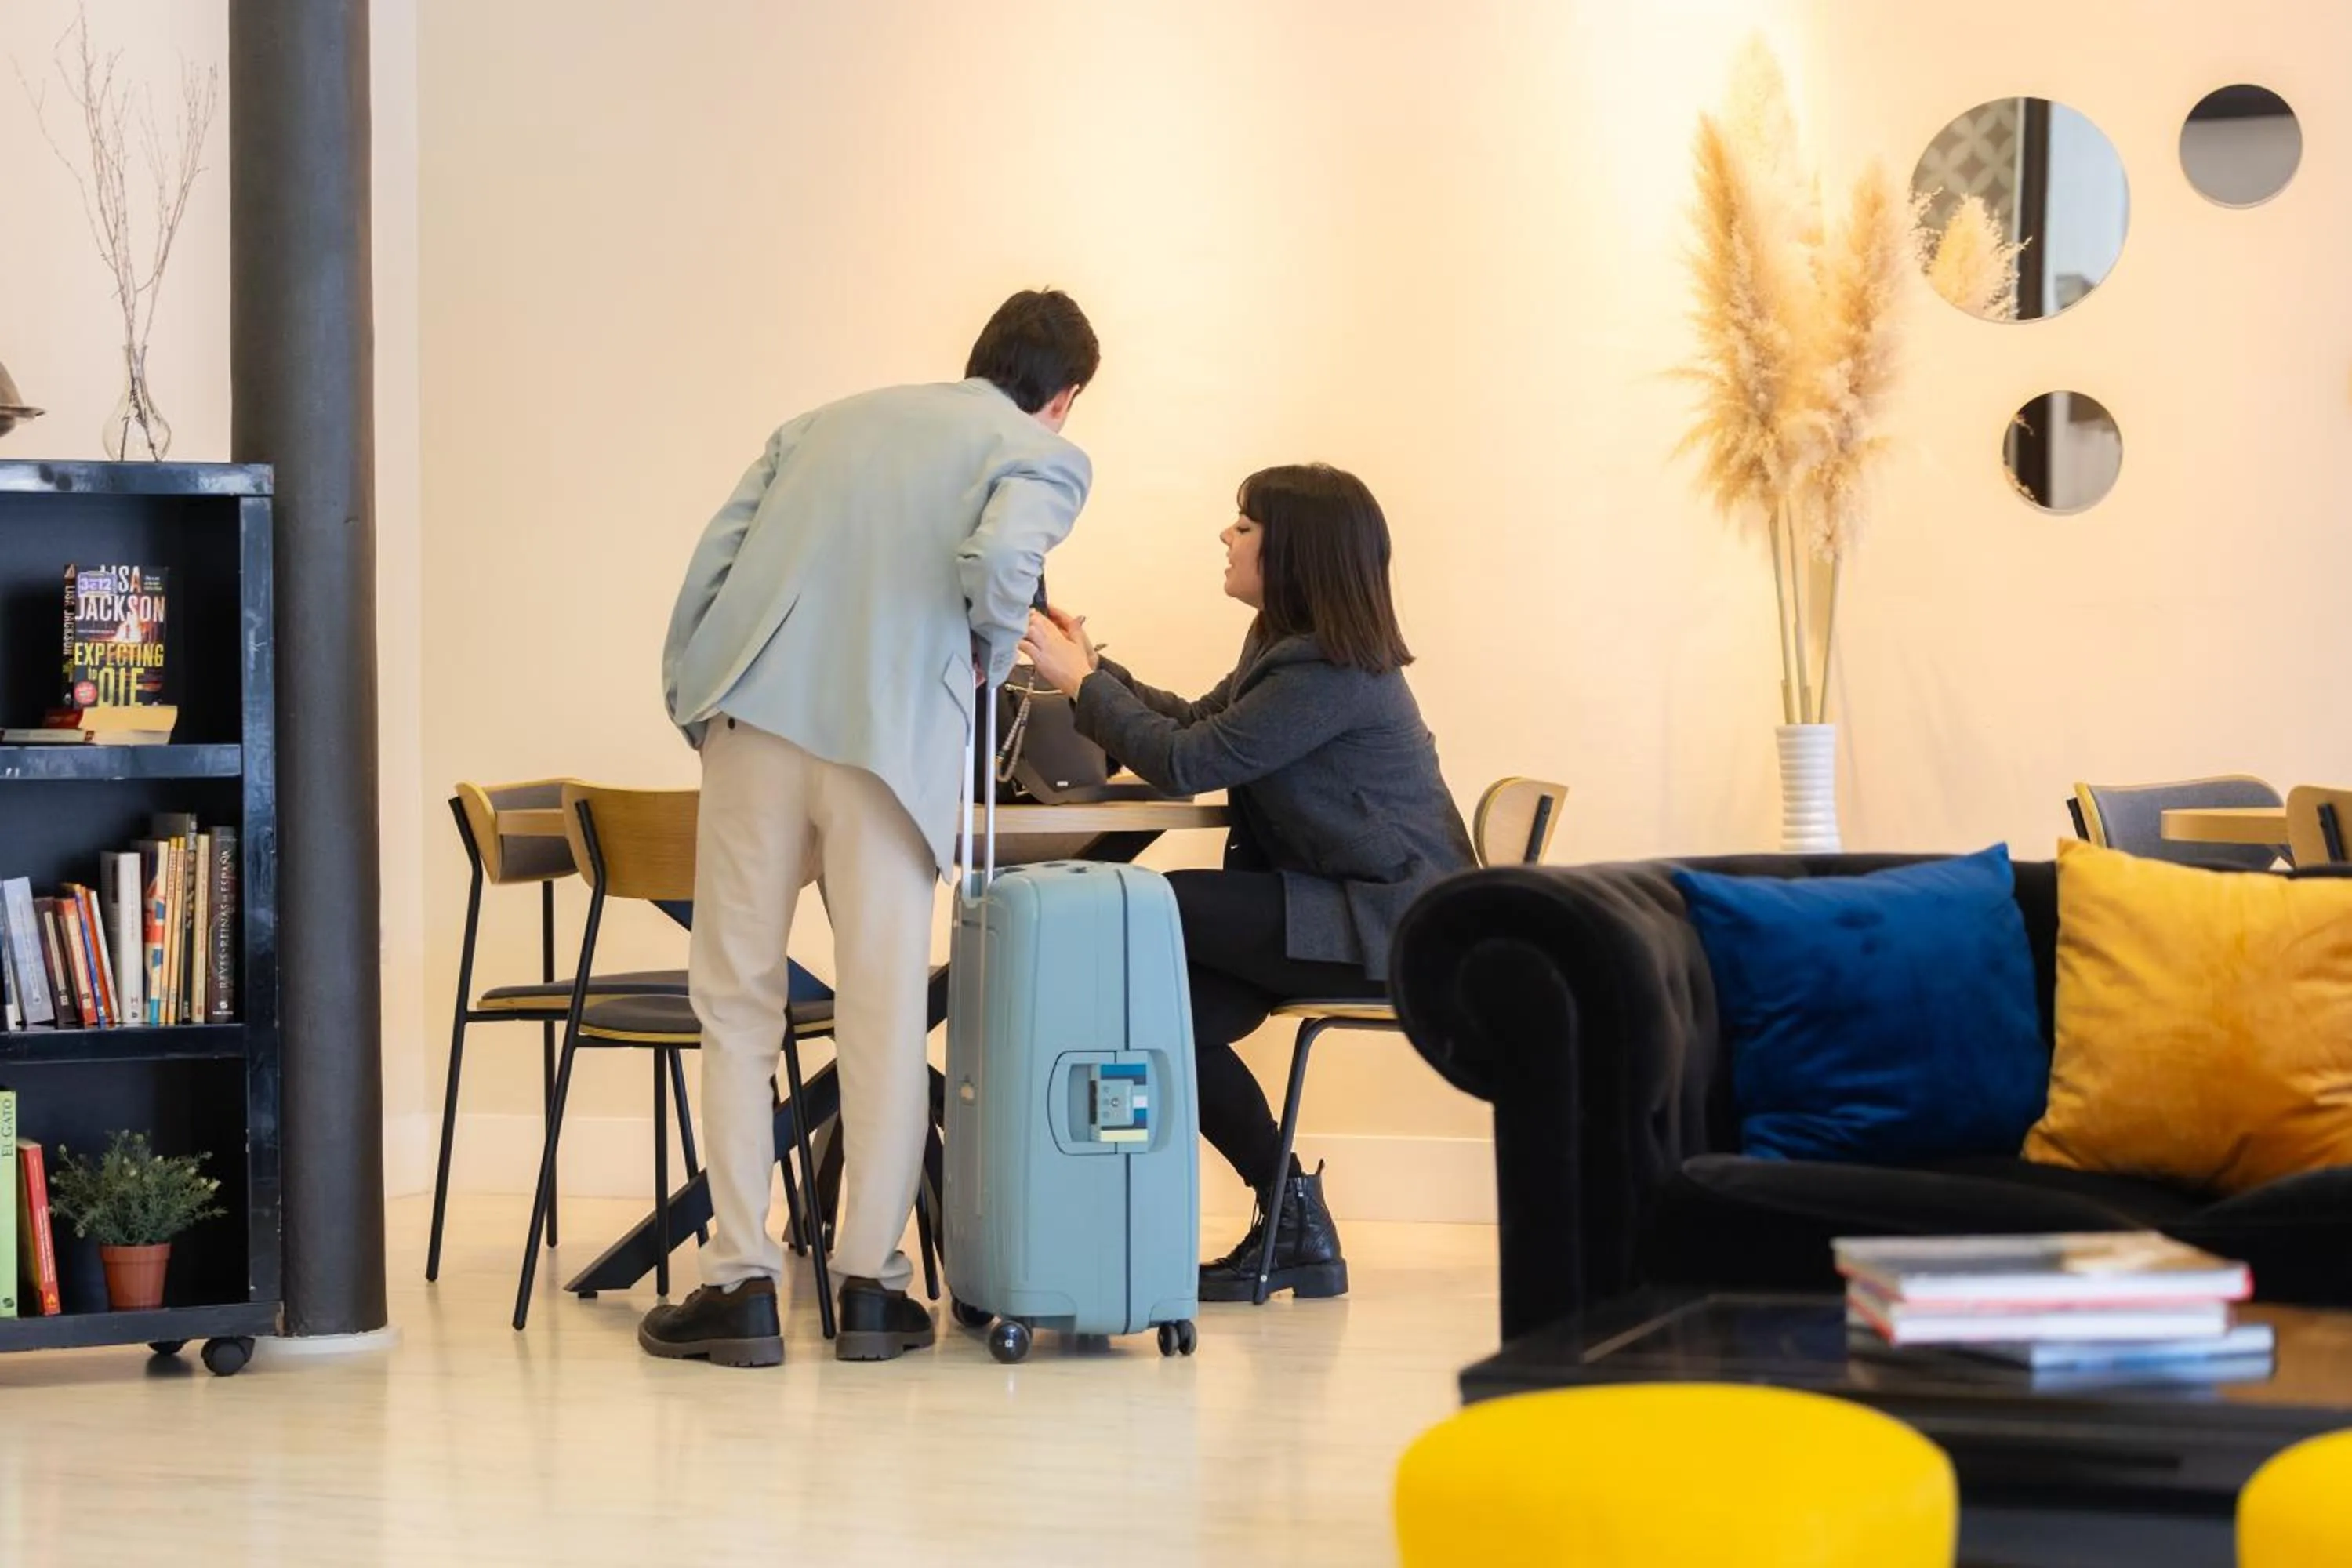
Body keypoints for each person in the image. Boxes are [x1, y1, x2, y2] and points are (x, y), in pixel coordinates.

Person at [643, 289, 1099, 1367]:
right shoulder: (1039, 454)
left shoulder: (823, 423)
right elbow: (998, 571)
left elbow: (711, 567)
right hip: (892, 749)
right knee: (884, 1011)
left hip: (757, 724)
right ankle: (873, 1291)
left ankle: (743, 1284)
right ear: (1065, 397)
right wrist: (990, 656)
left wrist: (692, 699)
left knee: (737, 1006)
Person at [1018, 463, 1474, 1302]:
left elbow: (1189, 763)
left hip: (1391, 927)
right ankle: (1293, 1214)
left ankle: (1282, 1212)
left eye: (1245, 524)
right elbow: (1199, 722)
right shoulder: (1285, 647)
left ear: (1293, 551)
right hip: (1344, 905)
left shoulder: (1331, 670)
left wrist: (1079, 685)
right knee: (1161, 1011)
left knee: (1142, 908)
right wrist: (1093, 668)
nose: (1227, 535)